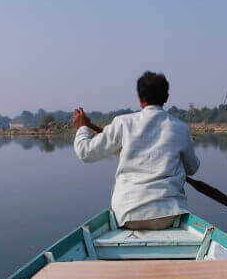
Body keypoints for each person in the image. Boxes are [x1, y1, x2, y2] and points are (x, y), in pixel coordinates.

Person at [73, 71, 200, 230]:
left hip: (127, 214)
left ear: (140, 98)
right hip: (169, 215)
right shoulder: (180, 128)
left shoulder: (123, 123)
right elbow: (192, 168)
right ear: (166, 98)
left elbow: (85, 153)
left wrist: (82, 128)